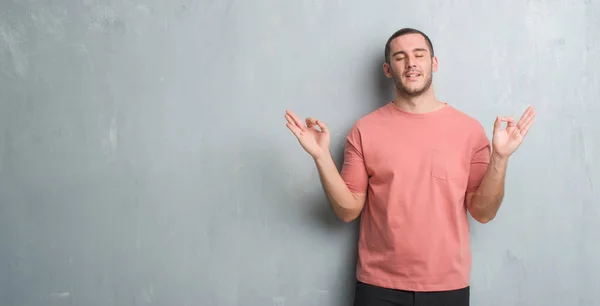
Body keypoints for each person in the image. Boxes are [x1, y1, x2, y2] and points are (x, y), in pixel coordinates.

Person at [284, 28, 536, 306]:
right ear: (388, 69)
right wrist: (321, 156)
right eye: (400, 57)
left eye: (419, 54)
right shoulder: (364, 130)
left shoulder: (470, 131)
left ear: (434, 63)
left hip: (447, 286)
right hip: (378, 285)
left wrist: (500, 157)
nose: (411, 63)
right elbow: (348, 210)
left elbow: (483, 212)